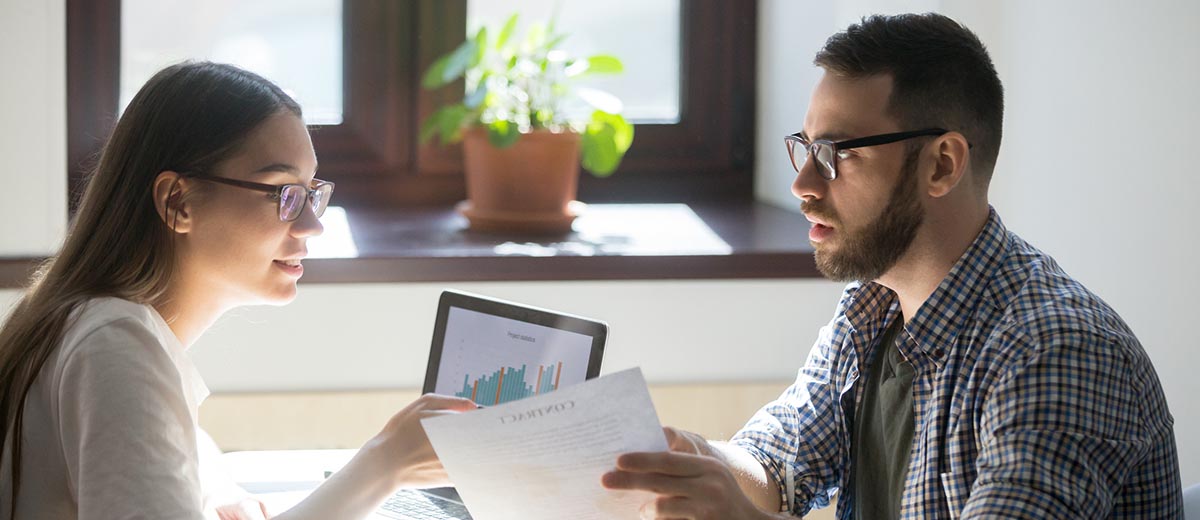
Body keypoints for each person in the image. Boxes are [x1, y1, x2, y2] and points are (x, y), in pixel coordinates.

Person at [602, 13, 1183, 519]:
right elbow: (778, 459)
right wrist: (695, 459)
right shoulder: (874, 307)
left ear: (941, 164)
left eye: (838, 153)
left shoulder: (1058, 353)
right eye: (805, 148)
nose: (802, 184)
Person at [0, 62, 477, 519]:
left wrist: (215, 485)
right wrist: (383, 465)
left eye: (312, 193)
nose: (312, 225)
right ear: (178, 202)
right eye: (283, 194)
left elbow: (160, 441)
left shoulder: (86, 321)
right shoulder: (115, 345)